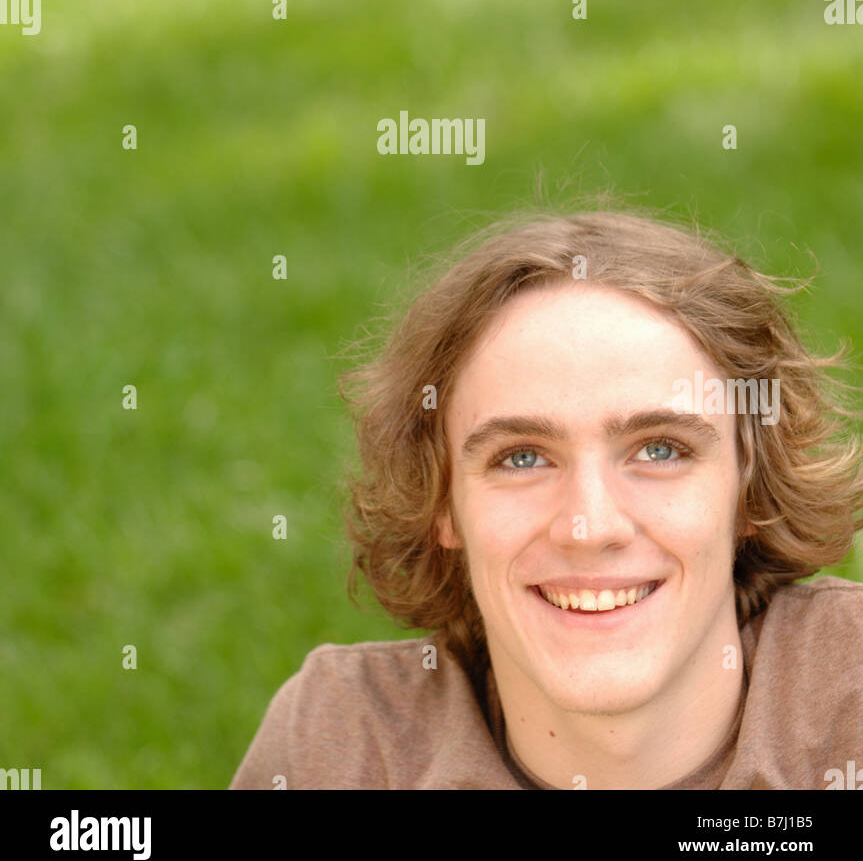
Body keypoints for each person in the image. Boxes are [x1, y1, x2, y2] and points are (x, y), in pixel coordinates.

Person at [230, 207, 863, 790]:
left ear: (748, 483)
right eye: (522, 458)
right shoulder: (341, 746)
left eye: (660, 450)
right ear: (443, 502)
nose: (588, 527)